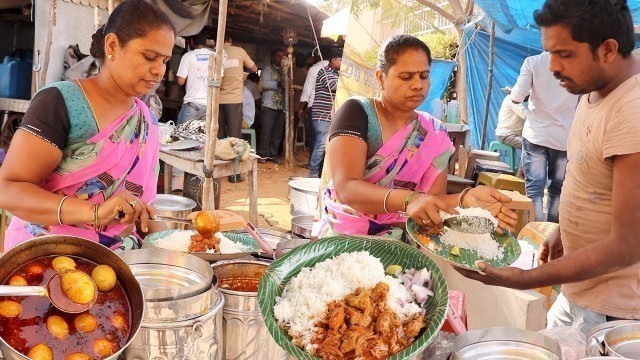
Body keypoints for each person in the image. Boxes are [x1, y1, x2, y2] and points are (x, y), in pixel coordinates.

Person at [457, 0, 640, 331]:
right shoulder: (594, 86)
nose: (553, 67)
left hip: (615, 314)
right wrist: (562, 232)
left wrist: (525, 278)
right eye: (550, 53)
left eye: (565, 54)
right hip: (580, 293)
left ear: (608, 50)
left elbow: (628, 245)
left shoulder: (632, 111)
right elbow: (590, 179)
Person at [0, 0, 175, 251]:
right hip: (45, 256)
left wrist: (173, 243)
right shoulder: (61, 103)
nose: (159, 71)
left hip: (114, 259)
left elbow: (140, 208)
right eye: (149, 57)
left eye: (165, 61)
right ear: (113, 45)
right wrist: (93, 212)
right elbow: (9, 190)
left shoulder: (146, 121)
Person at [320, 35, 517, 238]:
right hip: (345, 236)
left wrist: (466, 199)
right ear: (381, 77)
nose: (417, 85)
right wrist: (409, 200)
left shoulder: (434, 132)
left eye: (424, 76)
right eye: (406, 77)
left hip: (400, 243)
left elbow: (433, 200)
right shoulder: (358, 113)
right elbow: (347, 188)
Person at [511, 51, 579, 223]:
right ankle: (549, 238)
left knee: (534, 191)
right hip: (564, 139)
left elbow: (517, 97)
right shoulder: (577, 64)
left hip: (536, 136)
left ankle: (533, 237)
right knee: (557, 190)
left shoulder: (533, 62)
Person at [309, 52, 341, 178]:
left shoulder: (335, 74)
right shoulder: (325, 72)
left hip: (329, 115)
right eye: (340, 60)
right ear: (332, 60)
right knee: (321, 144)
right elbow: (334, 86)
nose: (341, 63)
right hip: (321, 115)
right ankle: (313, 173)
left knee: (326, 144)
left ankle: (321, 173)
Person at [219, 35, 258, 139]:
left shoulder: (215, 53)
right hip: (234, 99)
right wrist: (242, 70)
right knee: (234, 136)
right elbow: (254, 69)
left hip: (217, 100)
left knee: (219, 135)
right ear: (230, 40)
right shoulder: (240, 51)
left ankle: (219, 154)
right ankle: (232, 155)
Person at [175, 31, 214, 125]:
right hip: (209, 106)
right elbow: (220, 81)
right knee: (201, 138)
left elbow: (180, 81)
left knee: (180, 136)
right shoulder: (215, 56)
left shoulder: (188, 56)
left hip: (192, 105)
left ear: (192, 41)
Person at [298, 55, 329, 162]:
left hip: (314, 107)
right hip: (330, 108)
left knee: (315, 137)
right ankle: (322, 166)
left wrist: (301, 108)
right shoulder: (336, 70)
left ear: (317, 57)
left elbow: (307, 91)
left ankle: (313, 164)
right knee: (325, 138)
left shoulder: (314, 69)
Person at [258, 48, 286, 165]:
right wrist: (279, 84)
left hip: (281, 106)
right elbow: (263, 84)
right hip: (269, 105)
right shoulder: (267, 69)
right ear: (272, 57)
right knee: (266, 132)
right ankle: (263, 154)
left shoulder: (283, 71)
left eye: (282, 56)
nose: (280, 59)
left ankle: (273, 154)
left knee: (277, 133)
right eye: (278, 56)